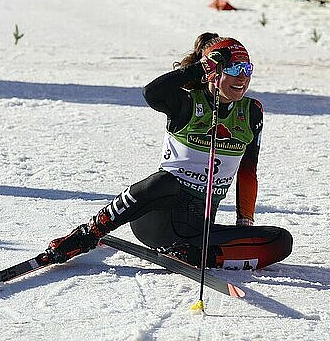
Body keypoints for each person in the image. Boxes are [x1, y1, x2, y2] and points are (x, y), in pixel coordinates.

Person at [46, 32, 293, 270]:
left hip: (197, 228)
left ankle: (195, 256)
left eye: (246, 69)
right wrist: (200, 67)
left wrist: (244, 226)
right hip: (155, 219)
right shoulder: (186, 102)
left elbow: (248, 172)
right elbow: (151, 93)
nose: (242, 77)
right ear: (212, 72)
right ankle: (86, 235)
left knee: (281, 242)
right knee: (165, 181)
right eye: (232, 69)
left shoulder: (251, 112)